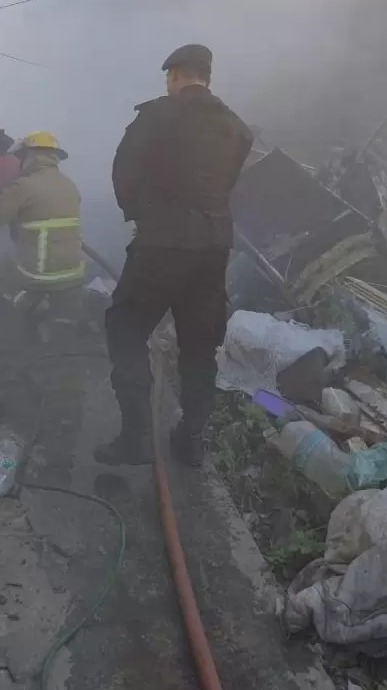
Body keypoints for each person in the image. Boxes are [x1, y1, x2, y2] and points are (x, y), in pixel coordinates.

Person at [95, 44, 253, 468]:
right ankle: (191, 439)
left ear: (175, 76)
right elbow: (228, 182)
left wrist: (141, 215)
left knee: (125, 328)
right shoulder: (236, 128)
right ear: (208, 76)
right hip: (214, 245)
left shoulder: (157, 115)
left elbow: (124, 171)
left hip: (163, 242)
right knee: (200, 344)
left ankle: (136, 439)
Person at [0, 132, 85, 326]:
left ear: (29, 156)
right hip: (74, 273)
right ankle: (52, 312)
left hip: (39, 275)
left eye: (20, 157)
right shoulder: (70, 185)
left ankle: (24, 307)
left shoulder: (24, 186)